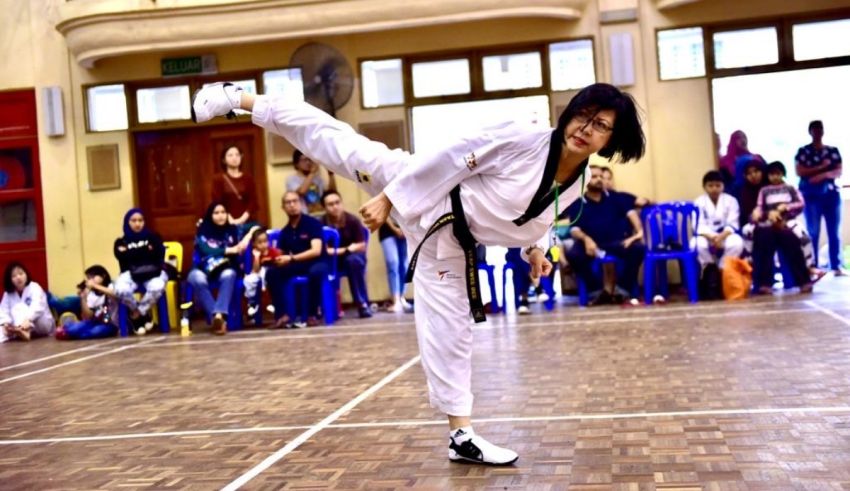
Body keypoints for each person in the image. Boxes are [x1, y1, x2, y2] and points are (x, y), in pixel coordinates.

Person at [191, 81, 645, 465]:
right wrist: (391, 197)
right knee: (338, 144)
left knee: (451, 334)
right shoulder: (523, 137)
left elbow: (537, 220)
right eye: (584, 116)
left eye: (602, 125)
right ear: (568, 115)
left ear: (612, 140)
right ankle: (239, 97)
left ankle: (460, 437)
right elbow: (449, 157)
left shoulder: (578, 181)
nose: (588, 129)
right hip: (422, 190)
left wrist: (535, 251)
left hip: (446, 244)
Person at [563, 165, 645, 306]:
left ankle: (622, 289)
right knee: (574, 255)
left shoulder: (616, 198)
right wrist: (587, 239)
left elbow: (632, 215)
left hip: (616, 242)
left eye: (601, 176)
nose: (599, 179)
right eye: (594, 177)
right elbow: (575, 230)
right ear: (585, 180)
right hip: (591, 245)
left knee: (637, 249)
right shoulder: (578, 203)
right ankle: (596, 290)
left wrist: (638, 233)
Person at [188, 202, 257, 335]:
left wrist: (247, 238)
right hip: (203, 267)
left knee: (229, 274)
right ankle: (218, 317)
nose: (220, 216)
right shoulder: (203, 230)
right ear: (210, 215)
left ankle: (218, 316)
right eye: (216, 213)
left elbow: (257, 225)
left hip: (225, 267)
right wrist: (230, 250)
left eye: (223, 212)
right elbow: (206, 250)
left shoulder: (234, 229)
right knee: (195, 278)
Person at [265, 191, 328, 328]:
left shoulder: (312, 224)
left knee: (315, 272)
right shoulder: (285, 232)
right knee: (272, 273)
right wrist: (271, 258)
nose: (292, 205)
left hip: (317, 262)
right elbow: (281, 254)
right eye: (288, 202)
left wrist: (291, 258)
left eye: (295, 201)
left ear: (301, 204)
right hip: (297, 264)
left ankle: (312, 314)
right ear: (283, 207)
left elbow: (316, 251)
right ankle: (282, 315)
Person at [751, 162, 813, 294]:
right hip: (769, 224)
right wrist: (761, 214)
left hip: (788, 222)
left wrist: (786, 207)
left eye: (778, 173)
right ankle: (765, 284)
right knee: (764, 243)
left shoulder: (790, 188)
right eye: (772, 174)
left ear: (783, 174)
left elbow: (801, 203)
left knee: (798, 240)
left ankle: (805, 279)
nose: (775, 177)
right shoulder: (764, 190)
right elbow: (760, 207)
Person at [795, 120, 844, 276]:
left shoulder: (832, 150)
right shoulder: (803, 151)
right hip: (810, 196)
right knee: (813, 231)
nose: (818, 132)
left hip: (831, 195)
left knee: (834, 232)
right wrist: (822, 167)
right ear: (810, 131)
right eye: (815, 129)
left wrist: (821, 174)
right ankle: (812, 265)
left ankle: (835, 265)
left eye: (820, 129)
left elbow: (838, 170)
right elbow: (800, 171)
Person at [113, 208, 167, 335]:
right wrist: (145, 250)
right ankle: (144, 316)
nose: (137, 224)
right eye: (133, 221)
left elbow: (158, 253)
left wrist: (132, 252)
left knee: (158, 287)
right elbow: (122, 256)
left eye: (140, 220)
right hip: (130, 274)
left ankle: (136, 314)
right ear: (127, 222)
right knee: (120, 289)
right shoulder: (120, 241)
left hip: (153, 271)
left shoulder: (154, 237)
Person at [321, 190, 372, 319]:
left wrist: (348, 251)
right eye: (330, 204)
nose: (335, 206)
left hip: (352, 258)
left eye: (337, 202)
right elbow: (324, 250)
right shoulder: (321, 223)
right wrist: (347, 249)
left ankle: (362, 304)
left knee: (353, 261)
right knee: (317, 265)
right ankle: (323, 309)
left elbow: (361, 245)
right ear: (325, 207)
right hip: (332, 260)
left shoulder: (352, 220)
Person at [693, 171, 743, 270]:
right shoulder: (698, 202)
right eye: (710, 186)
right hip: (707, 236)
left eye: (718, 185)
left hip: (725, 235)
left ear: (723, 186)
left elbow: (733, 223)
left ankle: (723, 268)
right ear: (704, 187)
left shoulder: (731, 201)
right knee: (696, 244)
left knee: (737, 242)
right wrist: (712, 237)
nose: (714, 189)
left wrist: (720, 237)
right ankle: (710, 268)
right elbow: (698, 225)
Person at [56, 265, 119, 340]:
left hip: (110, 324)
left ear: (103, 275)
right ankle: (70, 330)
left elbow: (117, 294)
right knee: (73, 329)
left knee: (95, 332)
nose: (90, 280)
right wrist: (83, 298)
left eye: (93, 277)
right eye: (89, 278)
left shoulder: (111, 286)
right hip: (94, 322)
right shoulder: (91, 294)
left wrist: (95, 285)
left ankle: (76, 334)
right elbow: (88, 316)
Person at [211, 145, 260, 235]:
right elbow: (217, 202)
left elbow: (253, 202)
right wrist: (230, 220)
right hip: (227, 222)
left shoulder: (248, 178)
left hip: (248, 222)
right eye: (230, 155)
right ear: (224, 160)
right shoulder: (218, 179)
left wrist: (241, 219)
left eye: (237, 155)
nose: (234, 158)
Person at [0, 262, 54, 342]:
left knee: (19, 307)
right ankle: (20, 332)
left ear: (26, 274)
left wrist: (28, 320)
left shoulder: (34, 287)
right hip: (19, 326)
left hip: (41, 324)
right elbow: (4, 311)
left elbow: (37, 306)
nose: (18, 277)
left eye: (21, 273)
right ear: (10, 279)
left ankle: (24, 332)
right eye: (14, 276)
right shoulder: (8, 294)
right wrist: (5, 324)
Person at [243, 228, 283, 319]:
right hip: (257, 273)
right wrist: (257, 257)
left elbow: (278, 263)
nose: (263, 245)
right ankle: (252, 302)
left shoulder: (272, 251)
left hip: (270, 275)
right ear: (254, 244)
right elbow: (255, 270)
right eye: (259, 242)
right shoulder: (253, 254)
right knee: (248, 280)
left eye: (265, 241)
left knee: (265, 272)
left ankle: (269, 301)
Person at [287, 149, 337, 215]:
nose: (308, 162)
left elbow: (331, 194)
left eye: (310, 159)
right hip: (304, 218)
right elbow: (301, 191)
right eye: (304, 160)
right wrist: (312, 173)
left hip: (322, 215)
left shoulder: (318, 178)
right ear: (296, 164)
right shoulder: (292, 180)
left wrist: (331, 175)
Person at [379, 219, 412, 313]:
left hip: (406, 229)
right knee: (393, 263)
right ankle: (396, 300)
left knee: (404, 266)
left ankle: (401, 297)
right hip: (387, 230)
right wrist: (395, 229)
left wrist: (405, 228)